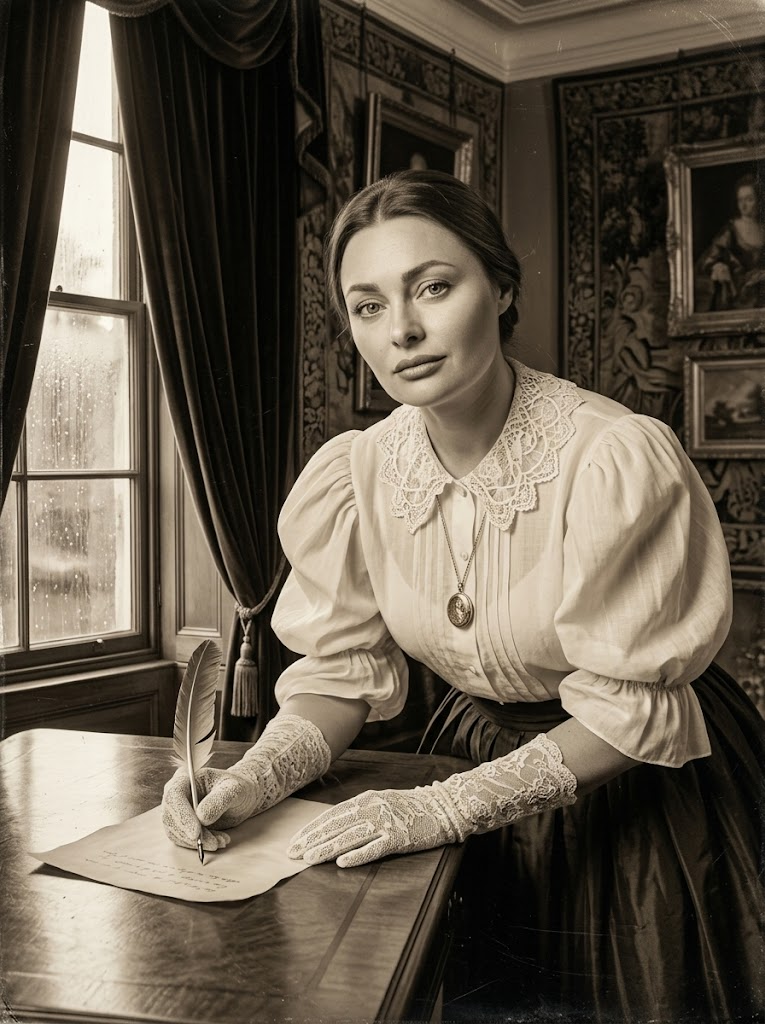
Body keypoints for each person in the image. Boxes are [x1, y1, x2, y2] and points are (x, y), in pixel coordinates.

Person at [163, 169, 765, 1023]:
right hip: (464, 761)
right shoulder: (356, 471)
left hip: (641, 795)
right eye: (367, 306)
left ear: (502, 287)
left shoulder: (614, 457)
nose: (402, 329)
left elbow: (631, 714)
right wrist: (252, 776)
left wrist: (444, 807)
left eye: (434, 288)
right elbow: (340, 675)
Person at [698, 172, 765, 311]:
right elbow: (708, 260)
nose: (744, 205)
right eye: (740, 200)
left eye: (749, 199)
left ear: (759, 200)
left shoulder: (763, 228)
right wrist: (717, 266)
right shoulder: (731, 230)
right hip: (738, 295)